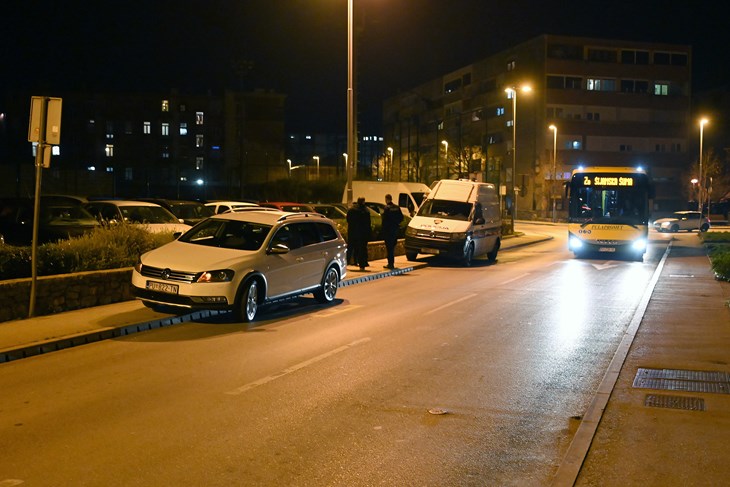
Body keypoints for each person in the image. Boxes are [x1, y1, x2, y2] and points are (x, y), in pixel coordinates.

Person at [346, 197, 371, 270]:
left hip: (352, 232)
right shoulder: (365, 211)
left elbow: (348, 220)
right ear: (363, 202)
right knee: (362, 249)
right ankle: (362, 264)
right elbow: (368, 223)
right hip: (362, 233)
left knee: (350, 248)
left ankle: (347, 262)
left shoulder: (351, 210)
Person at [381, 193, 403, 269]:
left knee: (389, 248)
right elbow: (401, 218)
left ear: (386, 199)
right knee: (392, 248)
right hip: (395, 230)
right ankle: (391, 263)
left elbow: (384, 220)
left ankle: (390, 263)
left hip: (388, 231)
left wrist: (383, 230)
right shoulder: (397, 208)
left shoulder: (387, 208)